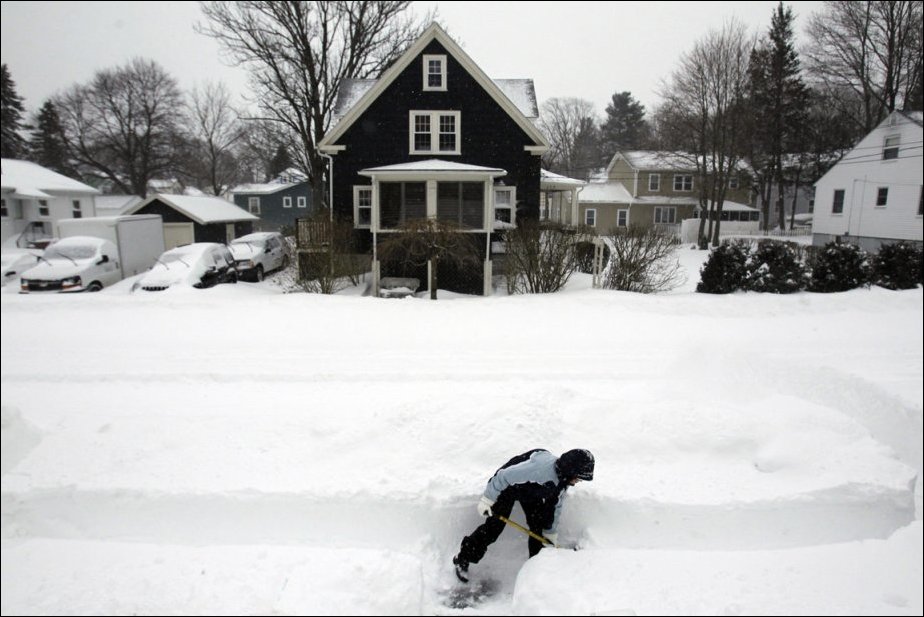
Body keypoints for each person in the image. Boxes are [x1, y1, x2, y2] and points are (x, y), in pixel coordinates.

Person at [452, 448, 594, 582]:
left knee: (538, 530)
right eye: (578, 477)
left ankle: (537, 571)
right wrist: (487, 500)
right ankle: (463, 558)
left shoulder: (562, 481)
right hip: (507, 487)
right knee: (494, 528)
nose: (578, 481)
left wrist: (550, 533)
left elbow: (555, 507)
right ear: (570, 471)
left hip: (530, 491)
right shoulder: (539, 469)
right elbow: (503, 477)